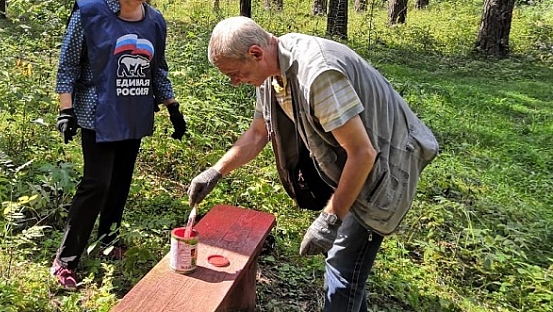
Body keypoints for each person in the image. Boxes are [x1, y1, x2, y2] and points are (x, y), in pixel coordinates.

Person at [187, 16, 438, 311]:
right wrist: (216, 171)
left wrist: (330, 217)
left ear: (255, 53)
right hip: (355, 164)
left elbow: (363, 153)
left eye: (235, 73)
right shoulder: (271, 71)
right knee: (347, 268)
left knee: (342, 268)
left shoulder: (317, 75)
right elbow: (258, 134)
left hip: (383, 167)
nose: (234, 82)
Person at [51, 0, 187, 290]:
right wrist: (65, 110)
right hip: (97, 113)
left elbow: (158, 69)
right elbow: (67, 65)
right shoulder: (90, 13)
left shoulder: (154, 20)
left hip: (134, 111)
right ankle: (65, 259)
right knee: (96, 183)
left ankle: (109, 239)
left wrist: (172, 106)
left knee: (121, 181)